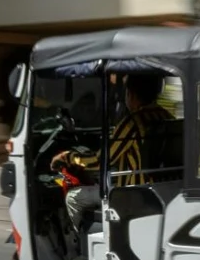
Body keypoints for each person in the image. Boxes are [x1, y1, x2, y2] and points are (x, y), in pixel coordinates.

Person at [55, 71, 173, 231]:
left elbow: (100, 161)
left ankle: (78, 249)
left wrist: (68, 157)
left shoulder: (132, 122)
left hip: (132, 195)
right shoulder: (167, 116)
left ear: (131, 94)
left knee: (73, 198)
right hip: (163, 191)